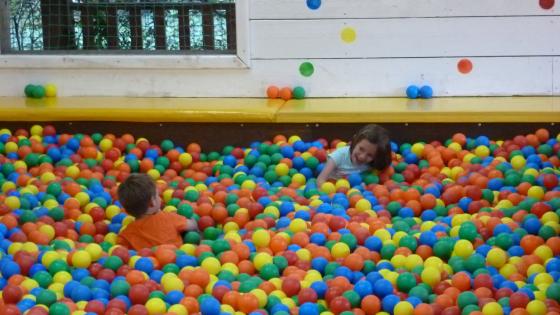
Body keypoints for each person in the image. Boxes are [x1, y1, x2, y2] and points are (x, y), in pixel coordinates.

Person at [116, 173, 198, 250]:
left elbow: (120, 248)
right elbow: (191, 225)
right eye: (157, 195)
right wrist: (193, 219)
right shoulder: (169, 218)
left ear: (126, 210)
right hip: (175, 257)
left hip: (148, 262)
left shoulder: (128, 233)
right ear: (152, 202)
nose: (160, 198)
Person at [316, 124, 392, 187]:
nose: (362, 157)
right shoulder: (338, 156)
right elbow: (320, 180)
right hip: (334, 188)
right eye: (361, 149)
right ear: (355, 142)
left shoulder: (373, 163)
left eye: (370, 155)